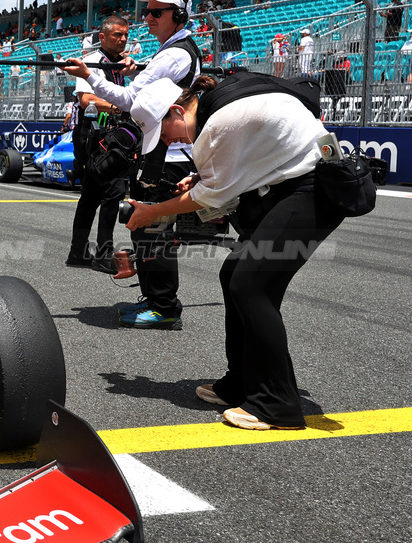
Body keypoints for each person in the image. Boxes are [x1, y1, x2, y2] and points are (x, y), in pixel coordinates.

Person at [123, 76, 344, 430]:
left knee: (251, 285)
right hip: (299, 182)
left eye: (164, 132)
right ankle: (241, 382)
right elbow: (241, 168)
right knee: (234, 273)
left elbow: (212, 198)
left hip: (314, 188)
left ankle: (277, 404)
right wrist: (200, 182)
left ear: (177, 110)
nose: (169, 141)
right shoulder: (220, 106)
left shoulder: (216, 125)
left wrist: (153, 211)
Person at [60, 0, 202, 329]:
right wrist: (139, 69)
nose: (148, 18)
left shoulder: (174, 54)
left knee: (153, 229)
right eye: (147, 11)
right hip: (161, 152)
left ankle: (164, 307)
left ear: (178, 15)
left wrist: (88, 75)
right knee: (147, 226)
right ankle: (157, 299)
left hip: (168, 156)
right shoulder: (170, 51)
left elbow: (127, 101)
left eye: (157, 12)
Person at [66, 16, 132, 271]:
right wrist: (121, 108)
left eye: (125, 34)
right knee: (113, 191)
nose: (123, 38)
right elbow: (86, 100)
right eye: (117, 34)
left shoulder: (126, 63)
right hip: (91, 134)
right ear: (102, 37)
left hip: (112, 132)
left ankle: (78, 251)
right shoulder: (91, 62)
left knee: (91, 195)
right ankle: (104, 254)